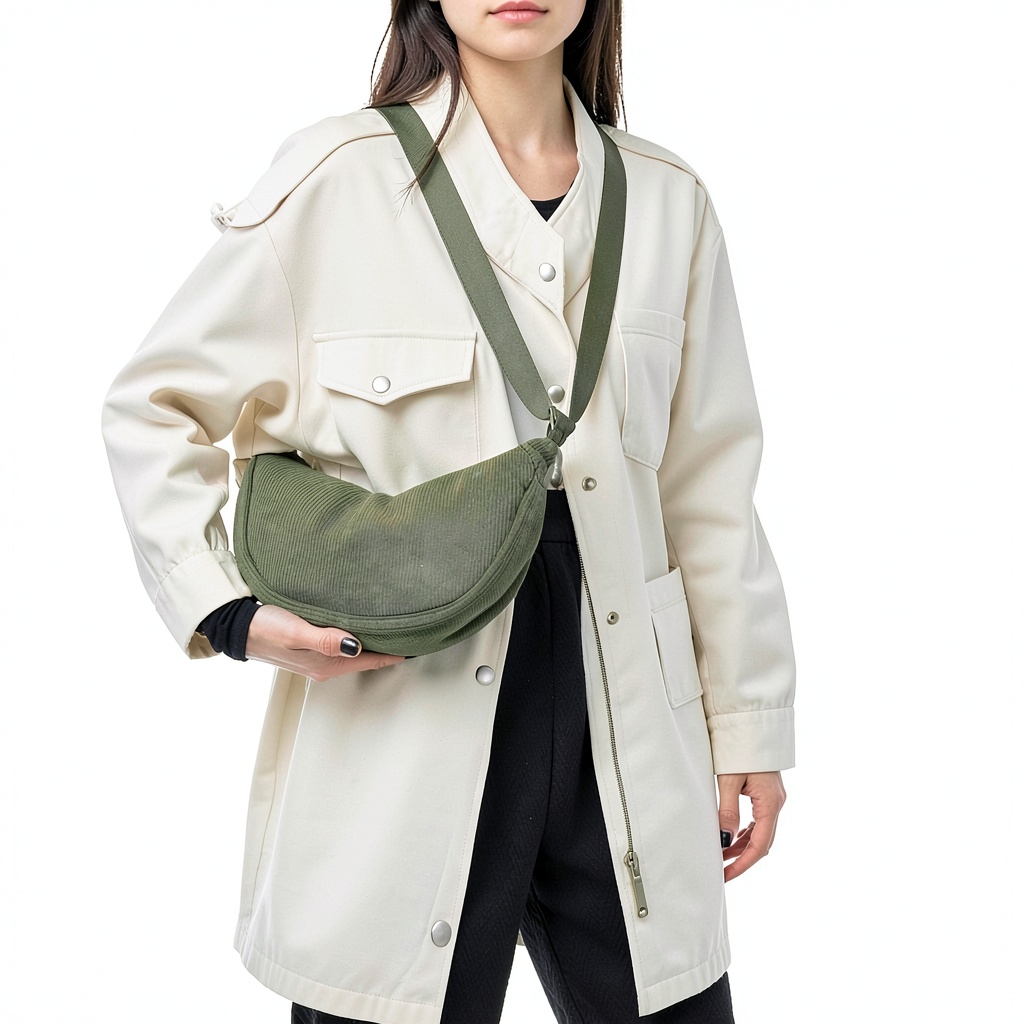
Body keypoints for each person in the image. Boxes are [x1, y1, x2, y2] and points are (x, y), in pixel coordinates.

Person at [101, 1, 796, 1022]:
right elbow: (154, 405)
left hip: (629, 714)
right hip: (402, 696)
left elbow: (710, 489)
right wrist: (231, 613)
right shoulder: (338, 178)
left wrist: (747, 722)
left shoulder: (667, 200)